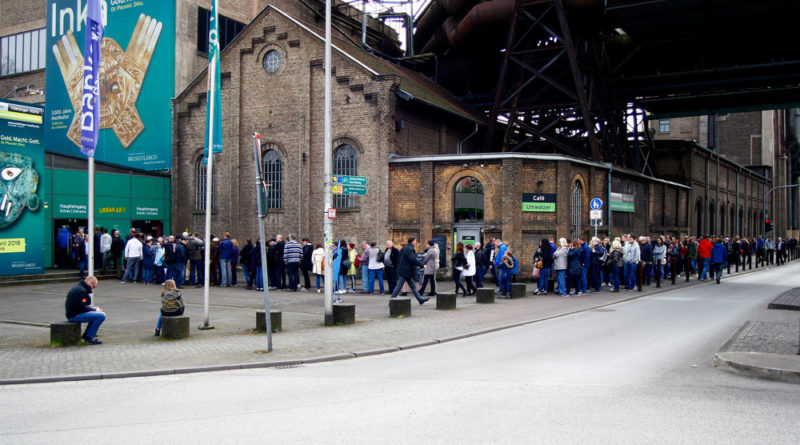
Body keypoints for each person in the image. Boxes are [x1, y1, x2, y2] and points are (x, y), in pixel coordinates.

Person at [65, 276, 105, 345]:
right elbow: (82, 307)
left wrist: (93, 309)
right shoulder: (82, 291)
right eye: (94, 286)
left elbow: (83, 305)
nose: (92, 289)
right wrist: (94, 309)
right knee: (101, 316)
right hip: (75, 315)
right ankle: (89, 337)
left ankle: (88, 334)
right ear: (90, 283)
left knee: (96, 315)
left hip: (73, 313)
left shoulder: (79, 288)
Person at [390, 237, 429, 304]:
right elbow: (412, 259)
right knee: (399, 286)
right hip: (406, 271)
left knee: (413, 287)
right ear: (413, 241)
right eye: (415, 240)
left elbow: (400, 258)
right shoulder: (410, 249)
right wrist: (422, 265)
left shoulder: (404, 248)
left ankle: (420, 299)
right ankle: (392, 301)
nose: (416, 242)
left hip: (405, 271)